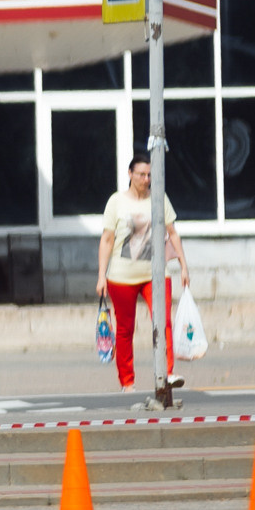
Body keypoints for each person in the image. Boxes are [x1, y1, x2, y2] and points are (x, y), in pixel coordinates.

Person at [96, 154, 187, 394]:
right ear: (130, 174)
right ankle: (127, 382)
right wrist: (101, 276)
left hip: (155, 274)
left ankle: (166, 373)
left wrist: (184, 266)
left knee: (163, 320)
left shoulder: (159, 198)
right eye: (141, 175)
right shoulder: (116, 202)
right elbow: (107, 239)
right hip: (121, 276)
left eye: (149, 175)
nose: (146, 180)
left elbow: (173, 232)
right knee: (126, 328)